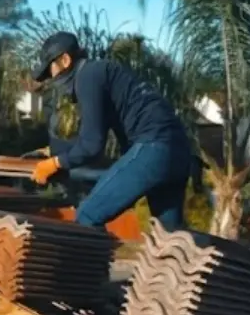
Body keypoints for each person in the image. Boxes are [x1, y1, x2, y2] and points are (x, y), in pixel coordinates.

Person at [25, 31, 195, 231]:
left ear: (65, 60)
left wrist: (55, 163)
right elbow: (92, 139)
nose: (50, 78)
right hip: (179, 151)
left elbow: (91, 146)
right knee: (170, 238)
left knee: (87, 215)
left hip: (153, 148)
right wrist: (54, 151)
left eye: (50, 70)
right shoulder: (103, 72)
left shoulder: (87, 76)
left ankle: (92, 263)